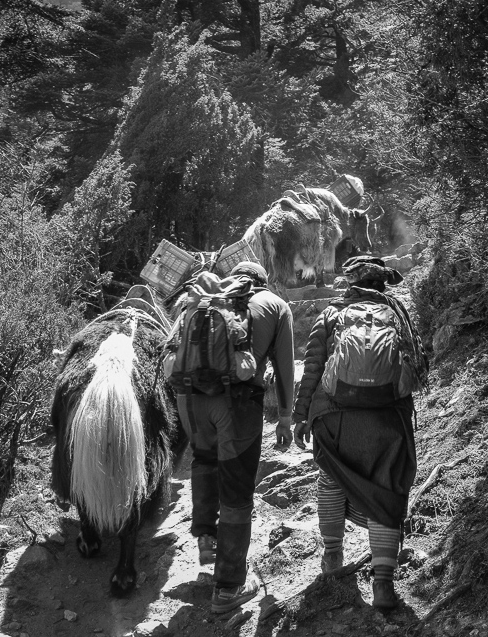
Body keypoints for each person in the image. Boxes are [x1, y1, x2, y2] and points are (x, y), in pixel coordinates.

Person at [292, 255, 427, 610]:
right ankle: (382, 585)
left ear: (349, 282)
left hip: (335, 419)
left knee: (331, 479)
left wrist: (301, 415)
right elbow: (418, 369)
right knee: (387, 489)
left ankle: (332, 556)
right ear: (383, 283)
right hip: (387, 421)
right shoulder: (398, 314)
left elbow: (313, 367)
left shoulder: (332, 313)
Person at [176, 261, 295, 614]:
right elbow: (285, 368)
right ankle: (229, 587)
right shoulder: (275, 305)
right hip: (236, 405)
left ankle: (207, 537)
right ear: (263, 282)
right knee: (237, 489)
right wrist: (285, 417)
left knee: (204, 460)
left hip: (191, 402)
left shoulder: (207, 301)